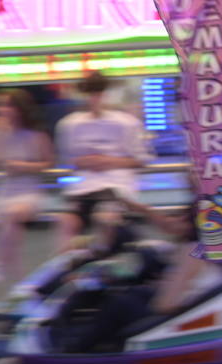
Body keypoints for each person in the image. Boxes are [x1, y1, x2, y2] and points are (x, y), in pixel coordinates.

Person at [51, 203, 222, 354]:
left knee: (120, 302)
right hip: (188, 307)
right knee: (129, 293)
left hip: (181, 316)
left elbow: (164, 305)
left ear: (191, 224)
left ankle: (75, 350)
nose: (172, 221)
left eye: (180, 217)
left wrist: (159, 288)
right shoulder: (204, 249)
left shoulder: (192, 252)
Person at [53, 70, 151, 254]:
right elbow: (68, 158)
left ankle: (104, 263)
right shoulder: (69, 124)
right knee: (67, 221)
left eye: (99, 93)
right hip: (83, 186)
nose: (95, 99)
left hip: (115, 185)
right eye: (91, 93)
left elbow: (141, 159)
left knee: (105, 218)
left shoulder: (127, 123)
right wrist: (84, 162)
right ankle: (66, 267)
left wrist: (108, 161)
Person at [0, 88, 54, 285]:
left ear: (18, 108)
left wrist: (23, 166)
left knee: (9, 217)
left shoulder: (36, 134)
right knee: (11, 228)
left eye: (5, 105)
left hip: (28, 191)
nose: (1, 110)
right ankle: (21, 280)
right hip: (3, 190)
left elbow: (49, 162)